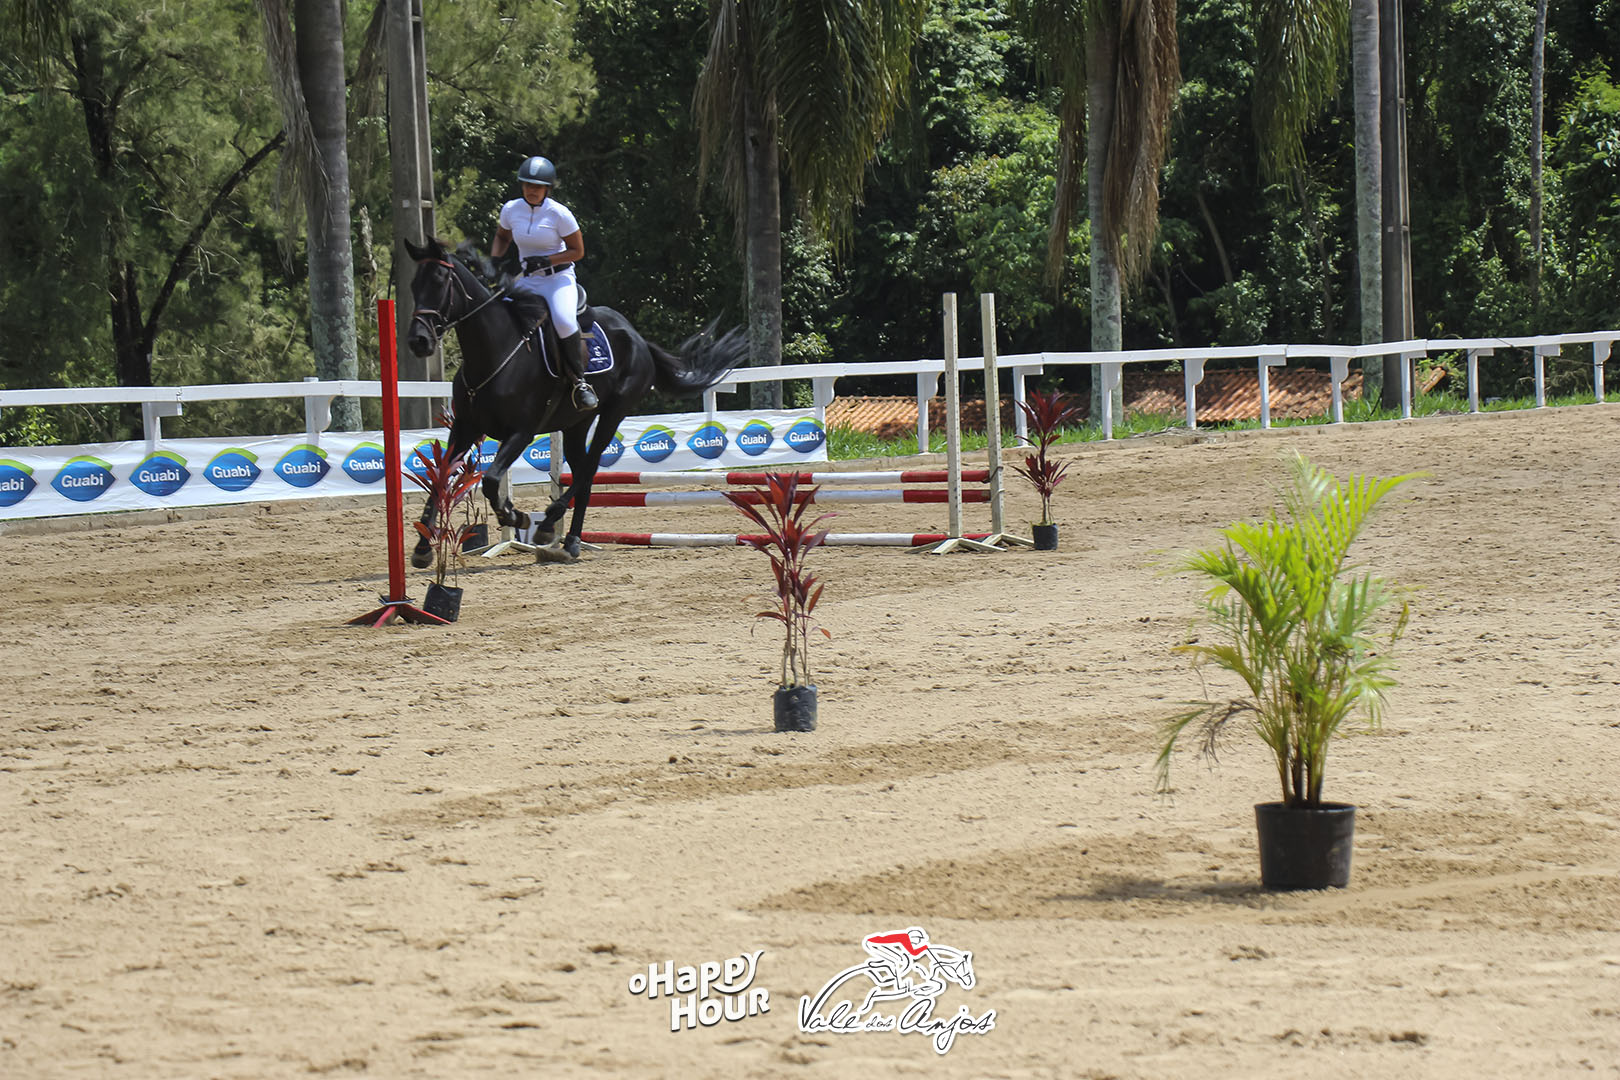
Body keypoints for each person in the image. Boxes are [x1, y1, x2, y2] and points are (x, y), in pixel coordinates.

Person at [490, 155, 598, 411]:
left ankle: (579, 383)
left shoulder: (560, 214)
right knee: (498, 315)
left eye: (537, 187)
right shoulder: (511, 209)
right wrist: (495, 259)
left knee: (562, 320)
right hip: (529, 281)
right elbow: (502, 237)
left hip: (558, 279)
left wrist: (547, 260)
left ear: (547, 188)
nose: (532, 190)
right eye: (527, 185)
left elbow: (578, 251)